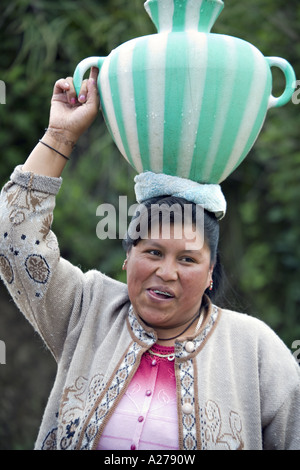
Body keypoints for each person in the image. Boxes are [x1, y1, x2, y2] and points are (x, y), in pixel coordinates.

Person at [0, 67, 299, 451]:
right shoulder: (86, 309)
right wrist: (60, 135)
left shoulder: (256, 351)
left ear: (210, 273)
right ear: (128, 257)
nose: (166, 272)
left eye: (188, 260)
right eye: (153, 252)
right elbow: (14, 236)